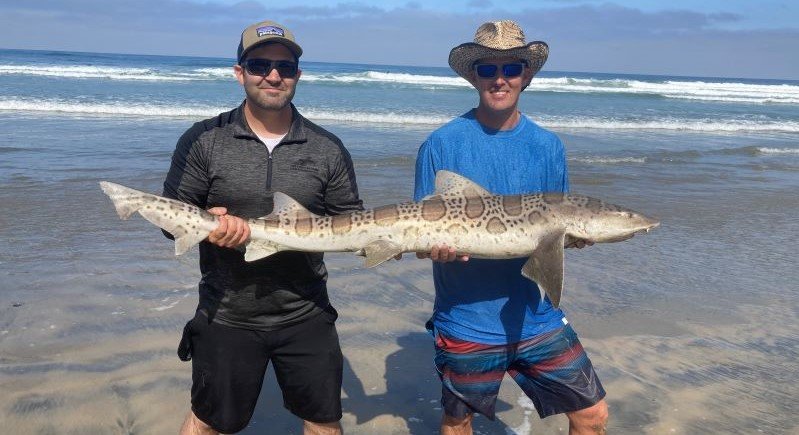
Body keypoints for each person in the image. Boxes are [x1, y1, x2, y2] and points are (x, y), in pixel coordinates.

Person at [163, 20, 362, 435]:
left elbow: (352, 222)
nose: (273, 76)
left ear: (297, 76)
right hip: (226, 312)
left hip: (306, 311)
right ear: (240, 72)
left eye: (285, 68)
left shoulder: (327, 148)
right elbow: (172, 220)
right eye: (260, 64)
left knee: (325, 422)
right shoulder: (204, 140)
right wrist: (207, 224)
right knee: (210, 421)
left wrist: (410, 238)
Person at [414, 20, 608, 434]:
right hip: (467, 317)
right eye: (487, 69)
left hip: (537, 315)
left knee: (592, 415)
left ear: (527, 75)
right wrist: (432, 247)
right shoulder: (441, 144)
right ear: (474, 76)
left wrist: (574, 241)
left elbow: (555, 228)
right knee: (458, 420)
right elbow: (417, 230)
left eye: (512, 68)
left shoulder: (548, 146)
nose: (499, 79)